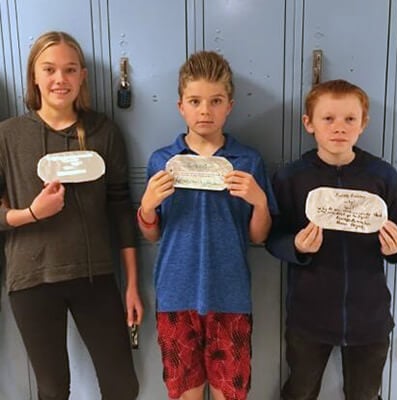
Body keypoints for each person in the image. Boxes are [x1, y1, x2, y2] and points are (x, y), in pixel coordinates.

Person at [0, 31, 143, 400]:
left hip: (94, 276)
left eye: (69, 69)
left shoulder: (104, 132)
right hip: (31, 280)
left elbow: (121, 210)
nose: (59, 79)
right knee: (53, 390)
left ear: (82, 76)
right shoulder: (8, 136)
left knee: (122, 386)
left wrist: (131, 285)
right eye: (49, 69)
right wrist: (31, 213)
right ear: (33, 75)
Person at [137, 50, 277, 400]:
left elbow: (258, 236)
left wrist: (259, 200)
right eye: (195, 101)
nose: (205, 111)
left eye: (215, 101)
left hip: (229, 295)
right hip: (175, 294)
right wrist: (147, 206)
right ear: (180, 106)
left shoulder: (248, 160)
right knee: (185, 393)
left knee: (231, 392)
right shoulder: (162, 160)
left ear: (229, 106)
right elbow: (151, 232)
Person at [266, 79, 397, 400]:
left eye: (350, 119)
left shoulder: (383, 177)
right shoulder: (291, 178)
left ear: (363, 124)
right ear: (308, 123)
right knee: (299, 392)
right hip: (308, 317)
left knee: (365, 395)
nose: (339, 128)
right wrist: (296, 246)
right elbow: (272, 237)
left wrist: (396, 250)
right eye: (328, 119)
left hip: (370, 318)